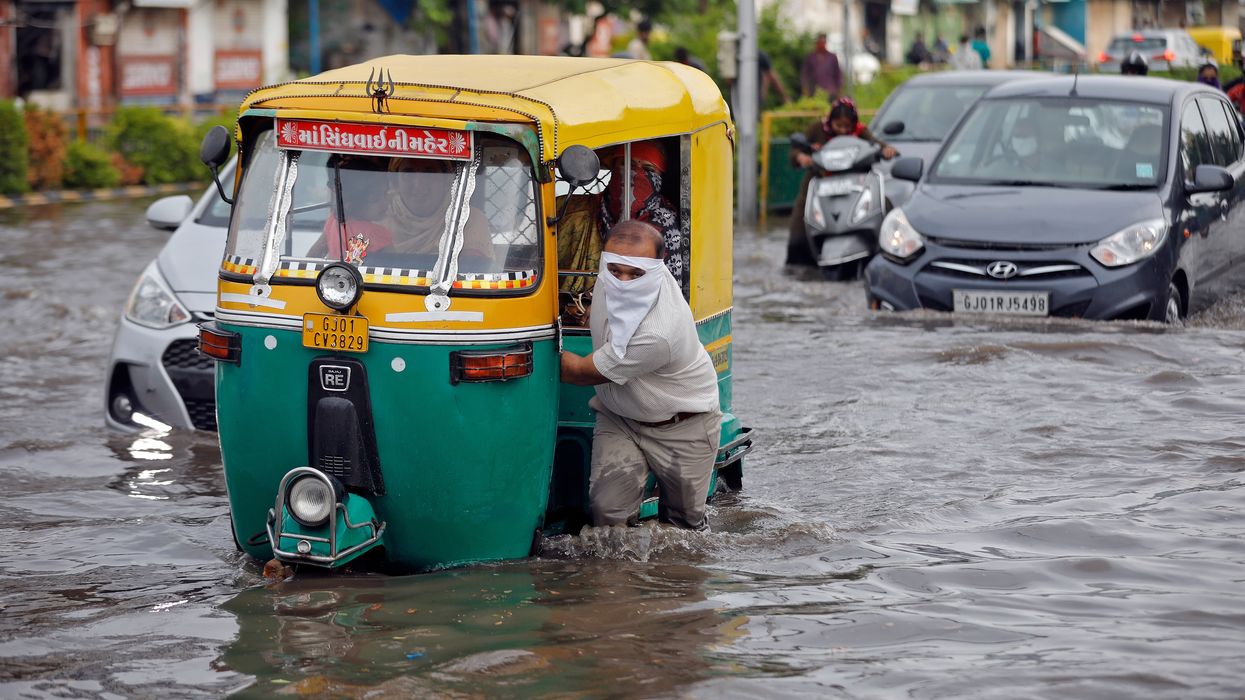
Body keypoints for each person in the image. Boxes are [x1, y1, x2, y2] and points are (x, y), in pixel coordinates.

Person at [559, 220, 722, 531]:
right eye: (615, 270)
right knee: (607, 517)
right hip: (619, 416)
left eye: (635, 274)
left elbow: (578, 372)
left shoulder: (659, 333)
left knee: (682, 528)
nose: (622, 281)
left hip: (683, 424)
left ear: (658, 270)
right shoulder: (607, 279)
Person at [786, 97, 897, 266]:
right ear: (831, 121)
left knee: (884, 208)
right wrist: (801, 157)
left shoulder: (861, 132)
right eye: (839, 126)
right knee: (798, 236)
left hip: (854, 187)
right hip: (821, 183)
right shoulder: (817, 129)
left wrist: (886, 150)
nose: (843, 130)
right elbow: (795, 151)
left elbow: (875, 144)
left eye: (847, 126)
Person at [386, 158, 494, 263]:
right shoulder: (382, 221)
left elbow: (472, 271)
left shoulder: (466, 219)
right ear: (395, 182)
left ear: (446, 180)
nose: (418, 185)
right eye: (408, 174)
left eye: (430, 174)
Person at [307, 155, 394, 263]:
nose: (385, 202)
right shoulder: (378, 234)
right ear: (355, 203)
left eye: (385, 194)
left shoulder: (333, 221)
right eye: (375, 200)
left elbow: (314, 254)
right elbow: (392, 265)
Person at [800, 33, 843, 99]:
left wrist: (839, 90)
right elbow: (805, 74)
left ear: (825, 43)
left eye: (823, 42)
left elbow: (838, 74)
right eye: (819, 42)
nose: (821, 44)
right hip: (815, 91)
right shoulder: (811, 57)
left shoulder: (832, 57)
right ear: (816, 43)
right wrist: (805, 87)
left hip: (830, 91)